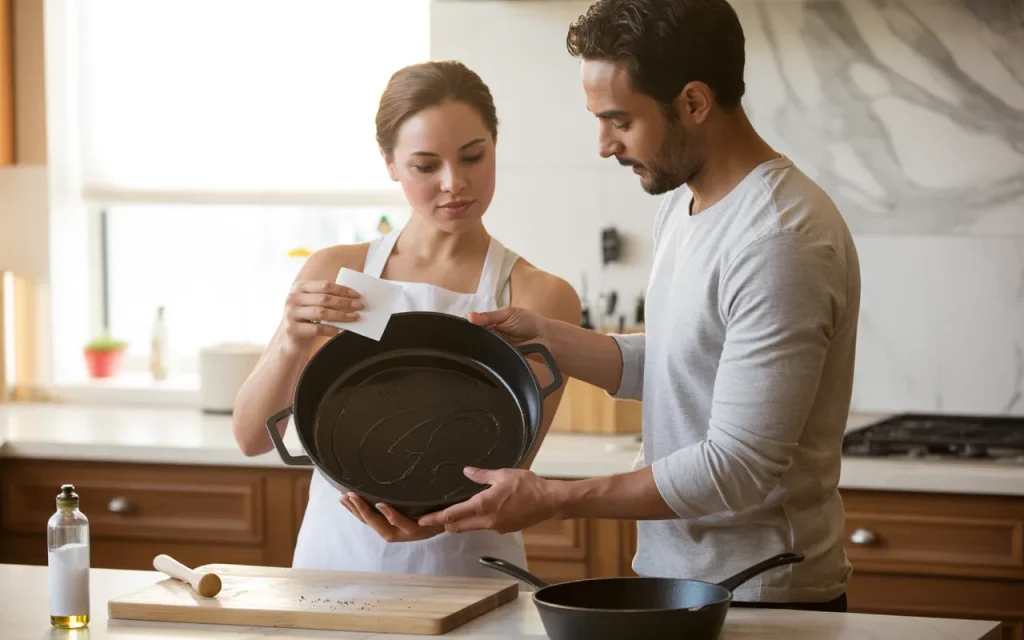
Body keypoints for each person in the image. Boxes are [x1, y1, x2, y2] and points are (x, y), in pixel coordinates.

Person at [419, 0, 861, 611]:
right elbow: (684, 363)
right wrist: (545, 337)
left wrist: (554, 498)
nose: (604, 144)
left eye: (619, 120)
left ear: (695, 103)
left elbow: (737, 467)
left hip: (762, 593)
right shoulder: (684, 204)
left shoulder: (779, 239)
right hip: (683, 579)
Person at [230, 60, 581, 578]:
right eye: (425, 165)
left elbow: (511, 472)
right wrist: (289, 340)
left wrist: (433, 523)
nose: (453, 183)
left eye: (473, 156)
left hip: (468, 574)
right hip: (336, 568)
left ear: (494, 147)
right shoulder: (337, 271)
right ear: (390, 164)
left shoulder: (541, 297)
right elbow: (251, 438)